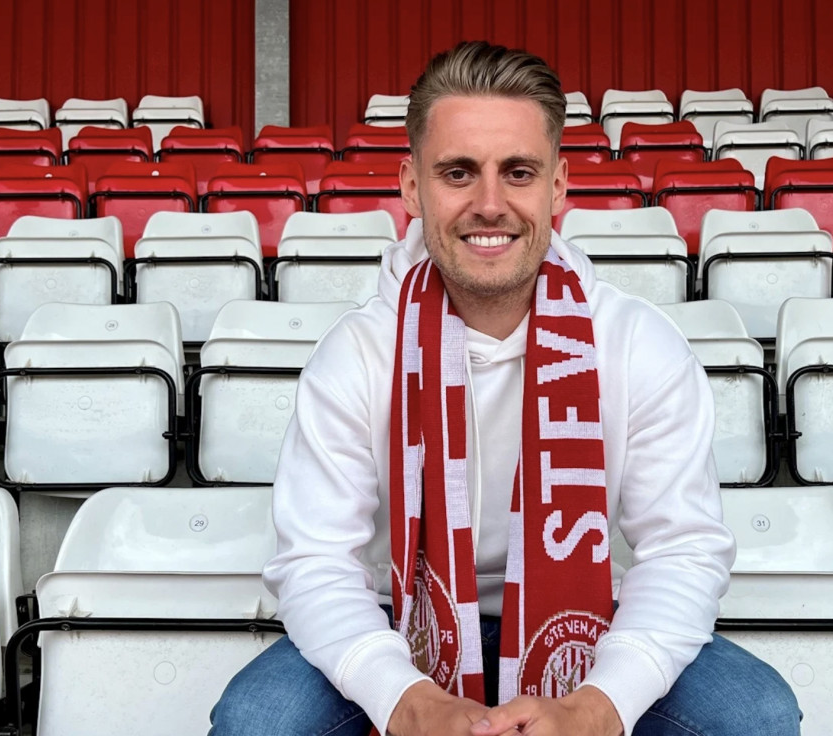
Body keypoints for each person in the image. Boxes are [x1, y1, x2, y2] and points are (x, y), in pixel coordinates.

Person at [210, 41, 800, 736]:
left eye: (517, 172)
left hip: (585, 614)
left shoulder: (637, 342)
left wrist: (596, 708)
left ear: (556, 186)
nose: (489, 204)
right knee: (256, 722)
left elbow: (682, 551)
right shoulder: (357, 355)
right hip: (402, 622)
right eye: (457, 172)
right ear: (410, 186)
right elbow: (314, 562)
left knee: (754, 714)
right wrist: (406, 700)